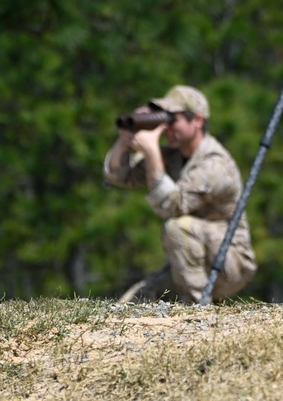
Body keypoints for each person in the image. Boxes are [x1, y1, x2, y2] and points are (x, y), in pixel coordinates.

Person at [103, 84, 257, 303]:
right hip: (189, 259)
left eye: (172, 119)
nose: (167, 128)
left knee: (177, 227)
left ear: (198, 121)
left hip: (230, 260)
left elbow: (173, 205)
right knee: (131, 303)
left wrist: (151, 151)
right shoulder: (173, 156)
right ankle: (195, 299)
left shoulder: (215, 164)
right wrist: (126, 138)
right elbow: (120, 176)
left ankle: (198, 308)